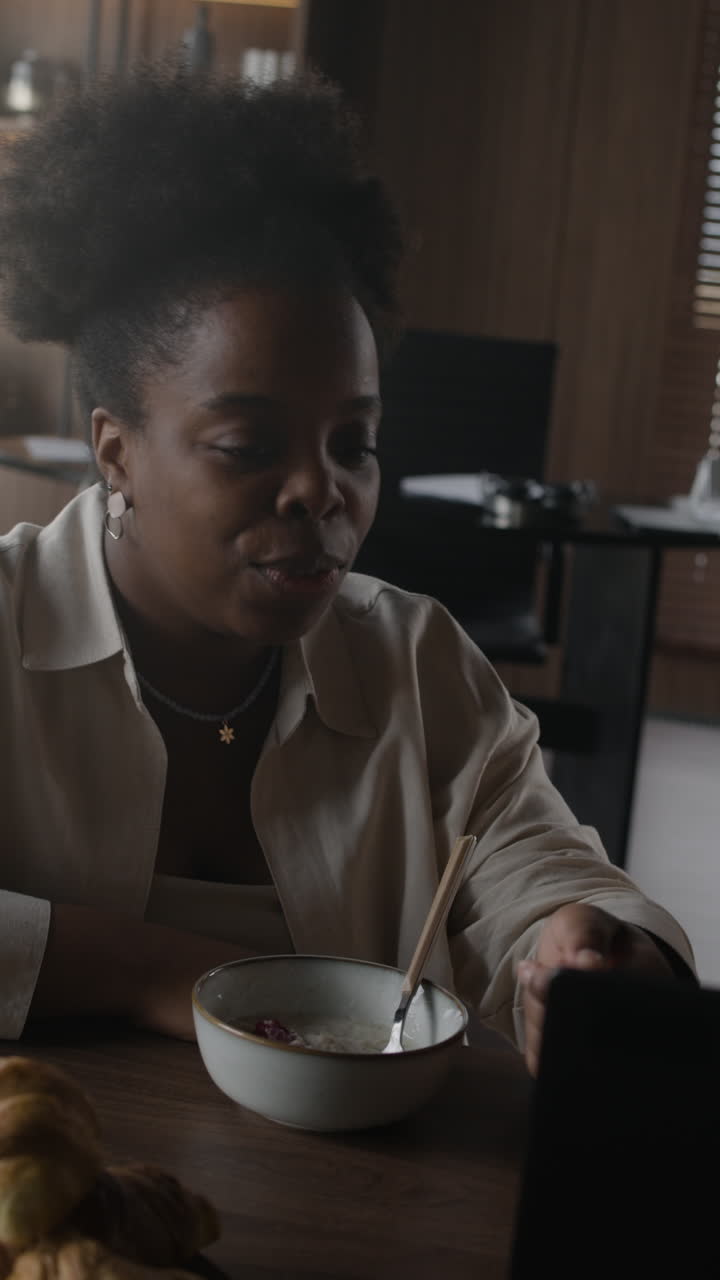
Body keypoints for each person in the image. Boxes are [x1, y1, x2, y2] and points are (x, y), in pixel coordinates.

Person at [0, 66, 694, 1074]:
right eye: (249, 445)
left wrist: (583, 948)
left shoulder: (417, 664)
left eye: (354, 443)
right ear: (116, 450)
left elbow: (540, 870)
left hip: (355, 1217)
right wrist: (161, 972)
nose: (318, 492)